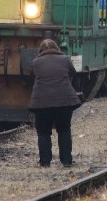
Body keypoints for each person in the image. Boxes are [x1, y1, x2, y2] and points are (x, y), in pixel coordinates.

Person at [28, 39, 81, 167]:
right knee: (64, 129)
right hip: (64, 102)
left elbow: (31, 77)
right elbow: (73, 73)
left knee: (43, 132)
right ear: (57, 48)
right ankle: (66, 161)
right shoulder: (65, 59)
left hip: (42, 104)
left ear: (40, 51)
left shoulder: (36, 63)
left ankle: (45, 162)